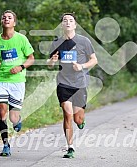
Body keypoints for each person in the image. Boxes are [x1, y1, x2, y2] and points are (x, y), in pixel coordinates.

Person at [47, 13, 97, 158]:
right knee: (67, 114)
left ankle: (81, 120)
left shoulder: (84, 41)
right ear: (62, 25)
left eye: (70, 20)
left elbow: (94, 60)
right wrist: (53, 60)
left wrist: (81, 66)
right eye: (65, 20)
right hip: (63, 83)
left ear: (75, 25)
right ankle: (70, 147)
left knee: (77, 119)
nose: (67, 22)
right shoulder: (57, 42)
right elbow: (49, 65)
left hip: (80, 83)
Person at [0, 10, 34, 156]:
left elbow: (31, 58)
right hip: (0, 80)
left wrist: (21, 67)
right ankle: (6, 145)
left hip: (17, 81)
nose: (6, 19)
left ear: (14, 22)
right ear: (1, 22)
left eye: (9, 17)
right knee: (2, 110)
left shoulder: (21, 39)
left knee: (12, 117)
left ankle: (17, 121)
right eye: (4, 17)